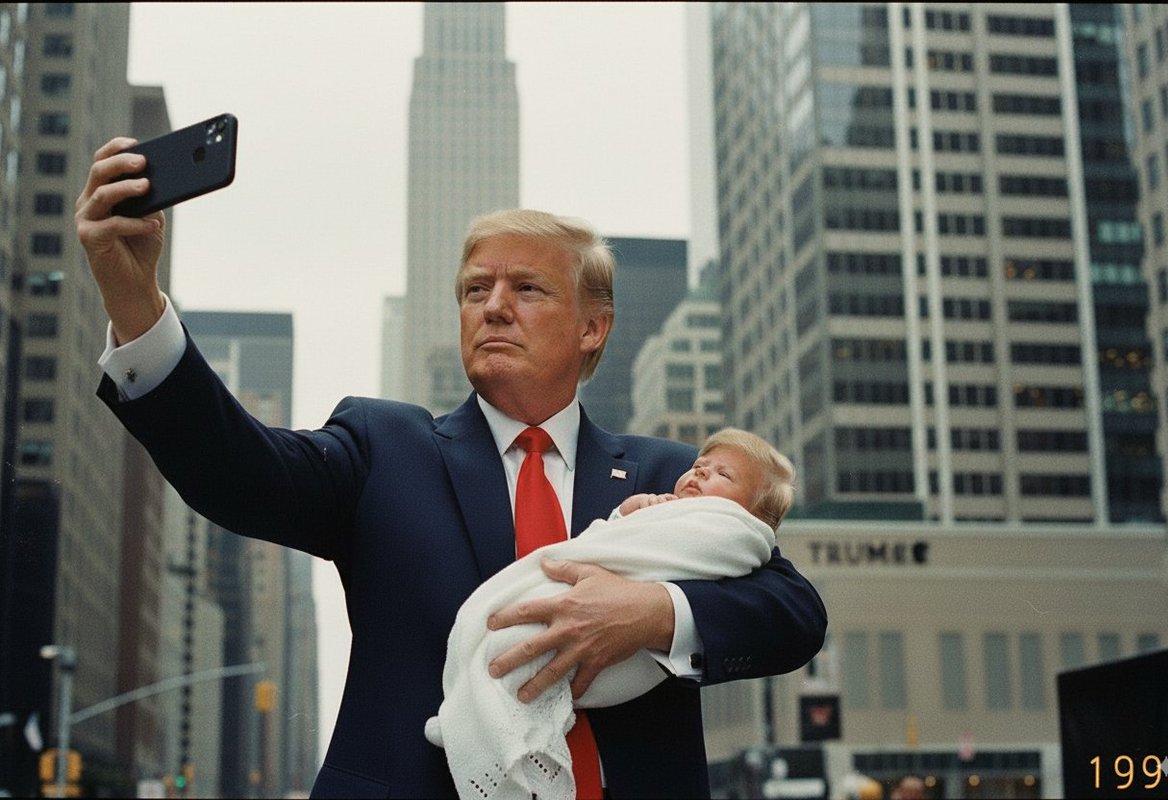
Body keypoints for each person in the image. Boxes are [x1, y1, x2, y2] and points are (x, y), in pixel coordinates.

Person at [76, 137, 828, 798]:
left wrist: (653, 613)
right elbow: (237, 472)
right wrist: (135, 303)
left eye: (526, 289)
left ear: (593, 328)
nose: (493, 307)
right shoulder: (383, 448)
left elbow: (793, 612)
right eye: (476, 289)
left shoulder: (675, 478)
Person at [427, 428, 795, 799]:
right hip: (438, 777)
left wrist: (659, 611)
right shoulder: (413, 449)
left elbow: (793, 605)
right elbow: (605, 541)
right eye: (700, 465)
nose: (700, 471)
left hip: (642, 752)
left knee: (519, 653)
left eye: (723, 474)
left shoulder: (723, 522)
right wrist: (625, 516)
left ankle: (483, 720)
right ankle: (475, 715)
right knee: (504, 632)